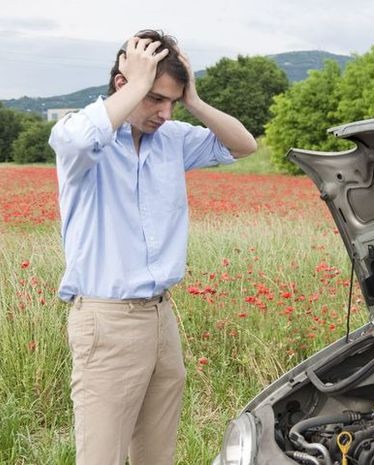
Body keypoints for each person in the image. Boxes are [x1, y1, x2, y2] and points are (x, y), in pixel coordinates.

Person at [49, 29, 257, 465]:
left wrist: (195, 102)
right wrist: (139, 82)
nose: (164, 112)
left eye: (172, 102)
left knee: (156, 454)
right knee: (101, 456)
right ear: (125, 83)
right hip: (106, 319)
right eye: (155, 98)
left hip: (161, 315)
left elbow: (243, 145)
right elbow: (74, 141)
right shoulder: (85, 140)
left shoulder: (173, 139)